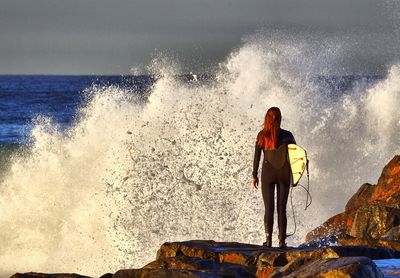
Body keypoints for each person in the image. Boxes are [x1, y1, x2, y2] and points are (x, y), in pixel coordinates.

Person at [252, 107, 296, 248]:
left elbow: (257, 157)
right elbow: (296, 157)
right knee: (282, 208)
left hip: (267, 174)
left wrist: (254, 175)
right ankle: (282, 242)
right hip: (284, 174)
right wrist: (296, 176)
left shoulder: (261, 135)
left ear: (267, 118)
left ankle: (268, 241)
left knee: (269, 208)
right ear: (280, 118)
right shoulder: (288, 135)